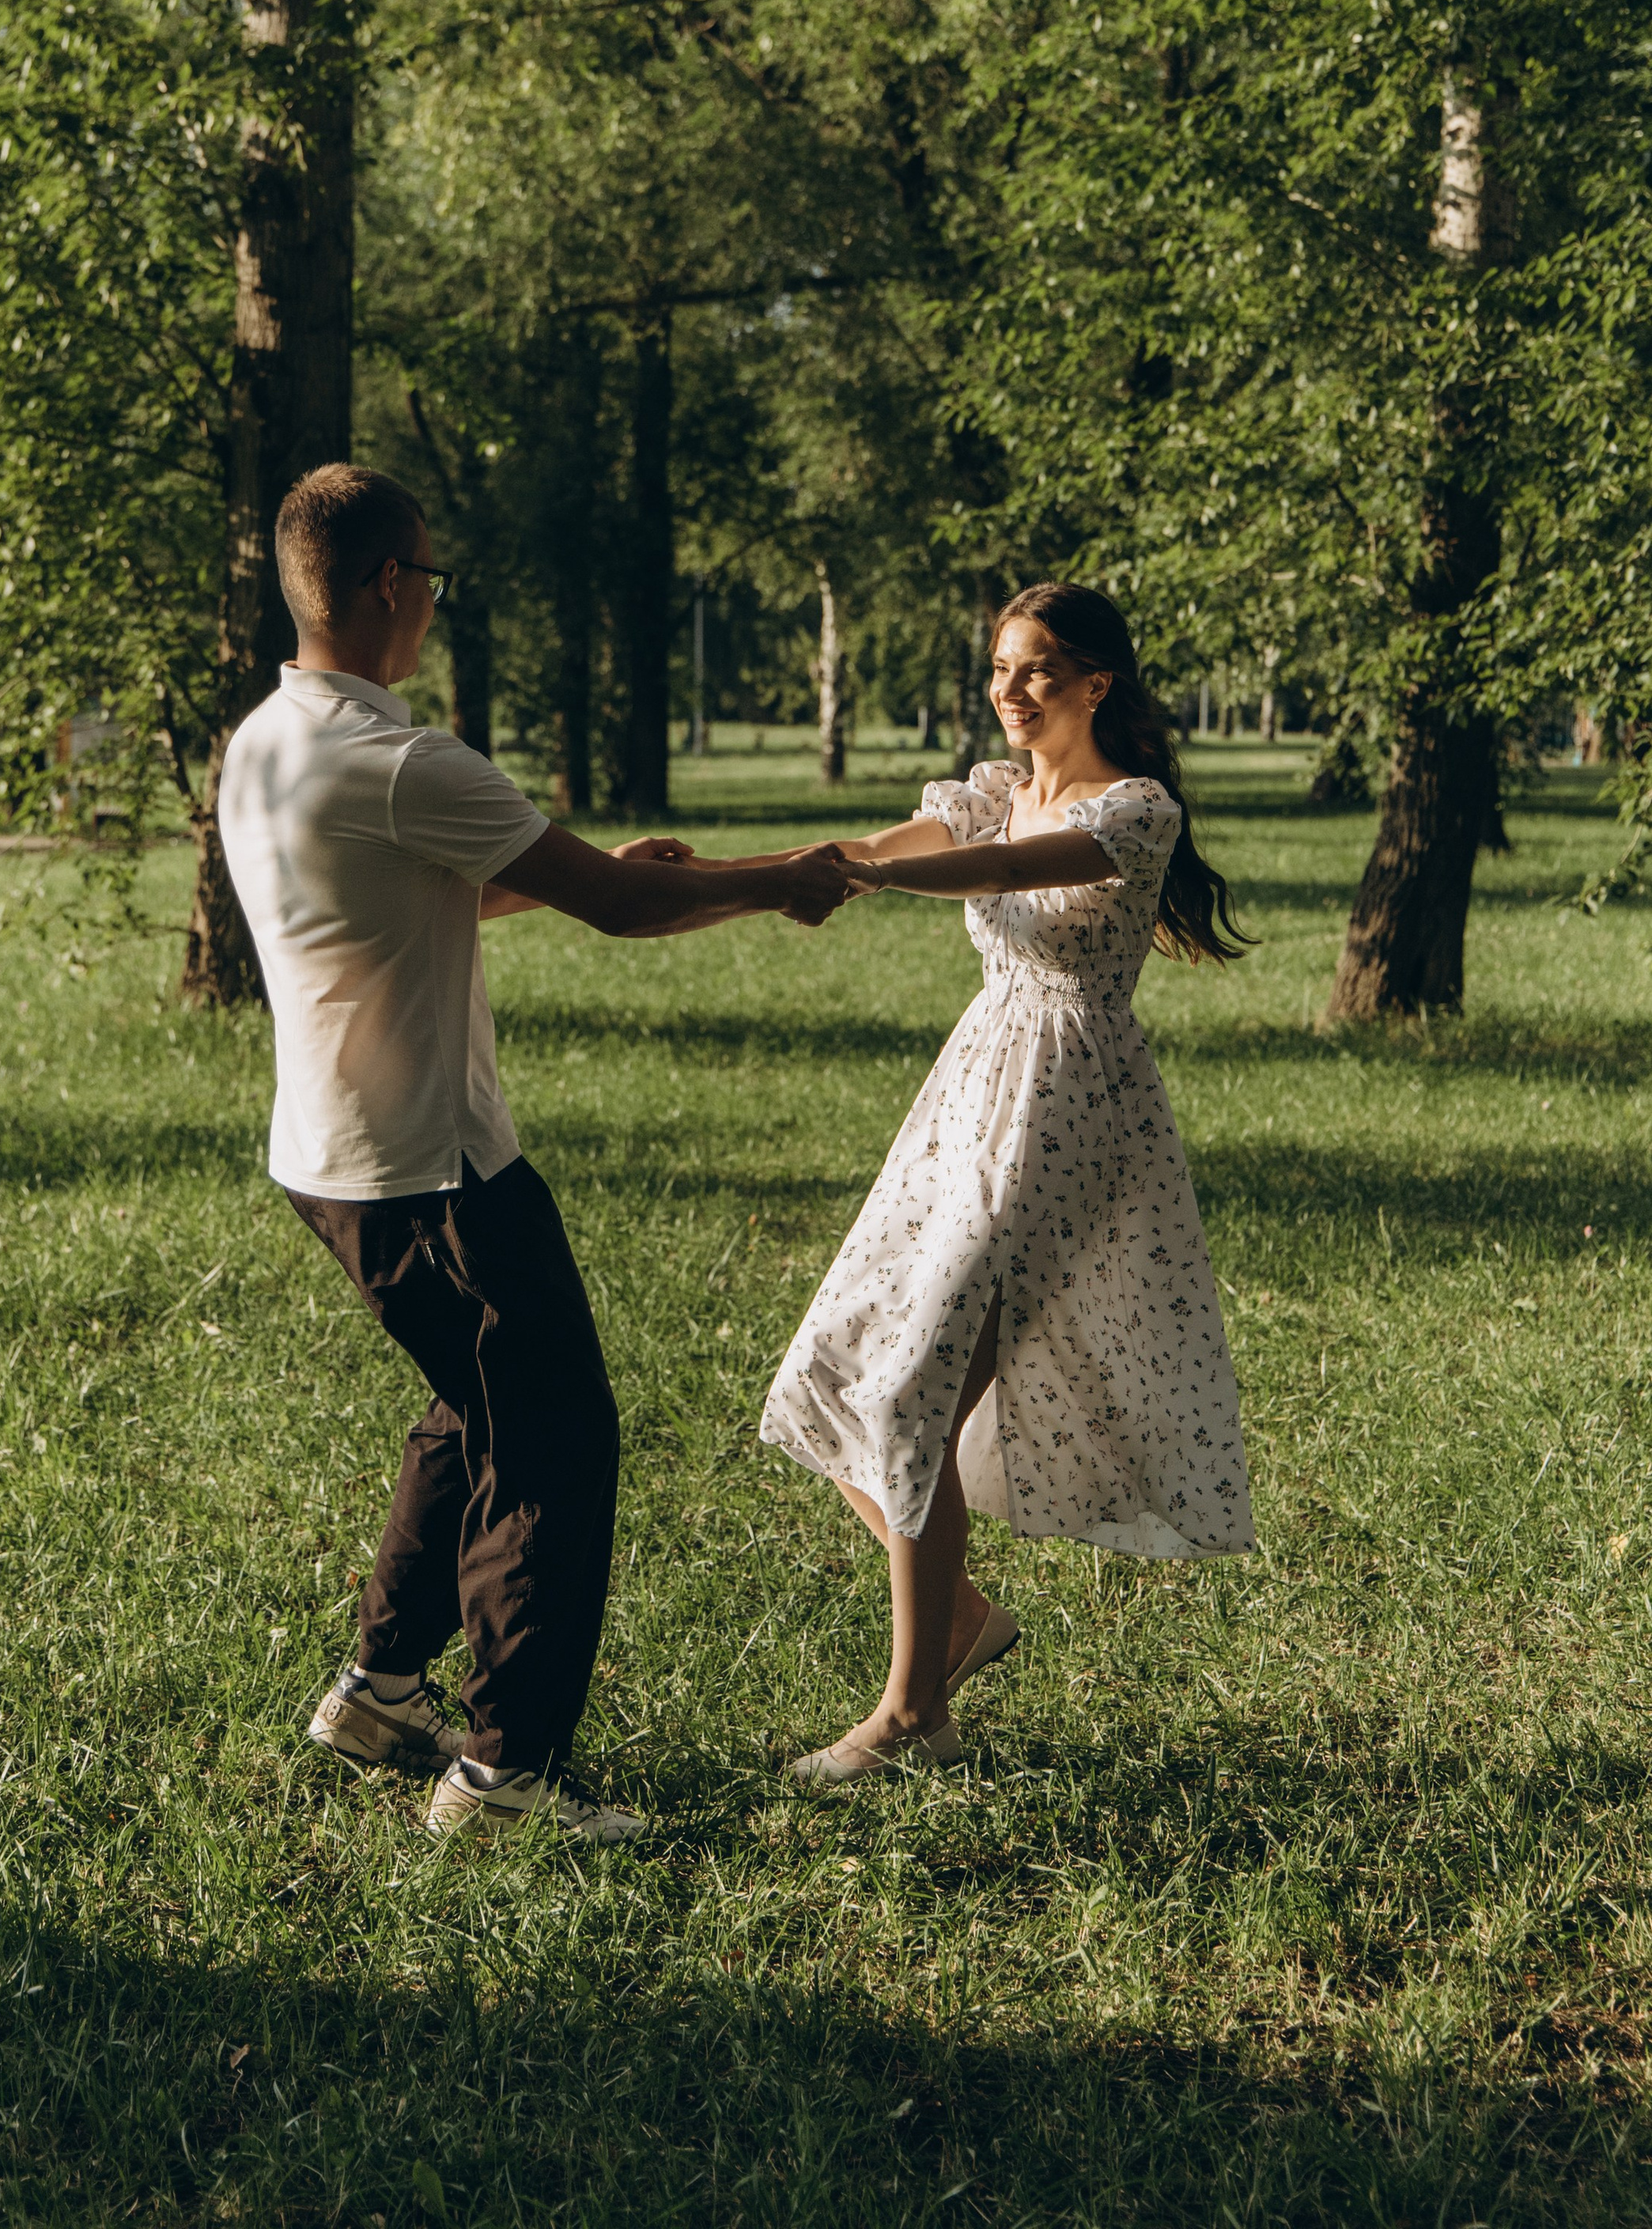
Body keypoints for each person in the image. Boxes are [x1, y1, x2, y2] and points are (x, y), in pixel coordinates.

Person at [217, 464, 858, 1842]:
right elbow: (621, 910)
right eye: (432, 582)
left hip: (325, 1155)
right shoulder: (402, 756)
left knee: (476, 1406)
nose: (435, 608)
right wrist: (771, 882)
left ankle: (382, 1692)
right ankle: (504, 1776)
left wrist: (557, 861)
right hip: (433, 1167)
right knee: (554, 1438)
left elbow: (402, 895)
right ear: (391, 585)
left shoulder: (268, 740)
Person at [758, 581, 1257, 1784]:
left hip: (1069, 1112)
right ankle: (963, 1621)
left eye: (1036, 670)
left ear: (1097, 685)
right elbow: (883, 849)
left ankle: (912, 1715)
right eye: (998, 668)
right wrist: (753, 868)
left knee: (918, 1386)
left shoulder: (1136, 813)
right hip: (970, 1098)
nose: (1011, 689)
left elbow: (1000, 864)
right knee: (831, 1380)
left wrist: (868, 879)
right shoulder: (991, 786)